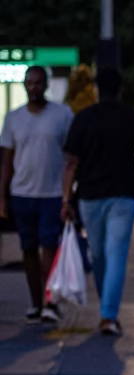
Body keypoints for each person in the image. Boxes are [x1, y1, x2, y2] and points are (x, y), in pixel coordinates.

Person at [61, 68, 134, 336]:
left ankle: (107, 312)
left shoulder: (84, 118)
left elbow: (71, 164)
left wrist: (66, 199)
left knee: (99, 254)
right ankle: (108, 315)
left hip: (90, 196)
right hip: (124, 194)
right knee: (116, 254)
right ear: (121, 89)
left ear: (98, 89)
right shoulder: (132, 117)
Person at [0, 65, 74, 323]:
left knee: (49, 248)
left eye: (39, 83)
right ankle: (35, 302)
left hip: (52, 193)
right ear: (24, 85)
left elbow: (72, 157)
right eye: (30, 83)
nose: (34, 87)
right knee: (28, 249)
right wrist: (2, 195)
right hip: (22, 193)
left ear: (46, 85)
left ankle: (50, 303)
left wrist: (69, 194)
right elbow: (7, 159)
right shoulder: (14, 117)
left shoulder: (62, 115)